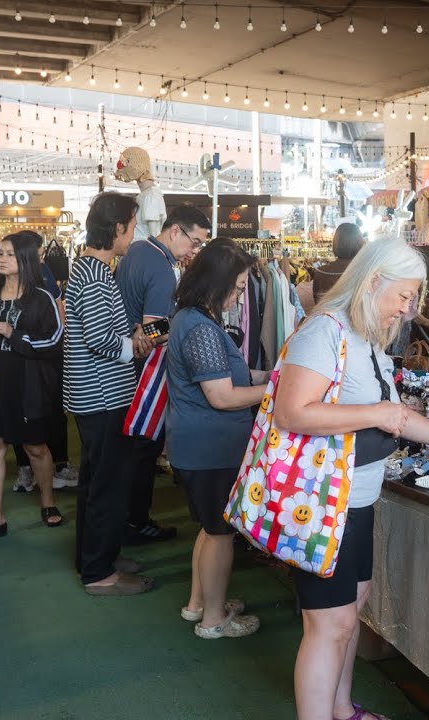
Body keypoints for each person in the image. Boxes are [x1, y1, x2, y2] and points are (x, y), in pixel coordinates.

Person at [273, 239, 429, 720]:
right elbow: (291, 413)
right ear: (373, 281)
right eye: (404, 295)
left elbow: (396, 417)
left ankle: (340, 709)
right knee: (329, 625)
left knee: (348, 614)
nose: (408, 309)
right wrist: (375, 412)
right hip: (324, 504)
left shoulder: (365, 338)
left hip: (354, 501)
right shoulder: (324, 331)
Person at [166, 240, 270, 639]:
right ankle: (214, 619)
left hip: (202, 445)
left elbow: (231, 377)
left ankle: (199, 604)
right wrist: (276, 392)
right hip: (210, 447)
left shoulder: (192, 319)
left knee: (210, 529)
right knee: (220, 534)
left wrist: (270, 377)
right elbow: (222, 396)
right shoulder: (201, 328)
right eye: (239, 287)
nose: (241, 296)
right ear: (219, 282)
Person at [64, 192, 157, 595]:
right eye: (132, 227)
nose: (132, 236)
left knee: (96, 483)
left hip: (94, 394)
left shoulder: (88, 269)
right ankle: (98, 572)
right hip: (103, 396)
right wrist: (136, 344)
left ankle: (94, 556)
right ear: (117, 228)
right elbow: (101, 338)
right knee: (107, 486)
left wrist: (130, 336)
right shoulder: (95, 275)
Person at [114, 204, 212, 545]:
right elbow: (153, 332)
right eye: (194, 242)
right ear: (175, 231)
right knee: (144, 448)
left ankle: (128, 517)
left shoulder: (138, 250)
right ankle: (136, 520)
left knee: (131, 450)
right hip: (143, 371)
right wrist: (186, 322)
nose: (194, 251)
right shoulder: (160, 267)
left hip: (123, 365)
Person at [0, 232, 66, 544]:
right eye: (0, 253)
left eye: (9, 254)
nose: (2, 259)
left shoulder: (41, 297)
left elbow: (54, 341)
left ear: (25, 258)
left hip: (26, 381)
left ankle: (47, 500)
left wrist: (12, 333)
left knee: (35, 447)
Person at [12, 239, 78, 493]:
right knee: (19, 411)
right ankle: (25, 467)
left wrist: (60, 336)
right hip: (18, 356)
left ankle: (60, 464)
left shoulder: (43, 272)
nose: (41, 258)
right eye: (38, 253)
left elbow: (60, 305)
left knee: (52, 408)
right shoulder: (3, 284)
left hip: (48, 353)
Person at [310, 223, 365, 302]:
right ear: (360, 243)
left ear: (336, 242)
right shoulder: (365, 271)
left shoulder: (321, 272)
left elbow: (317, 302)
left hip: (325, 309)